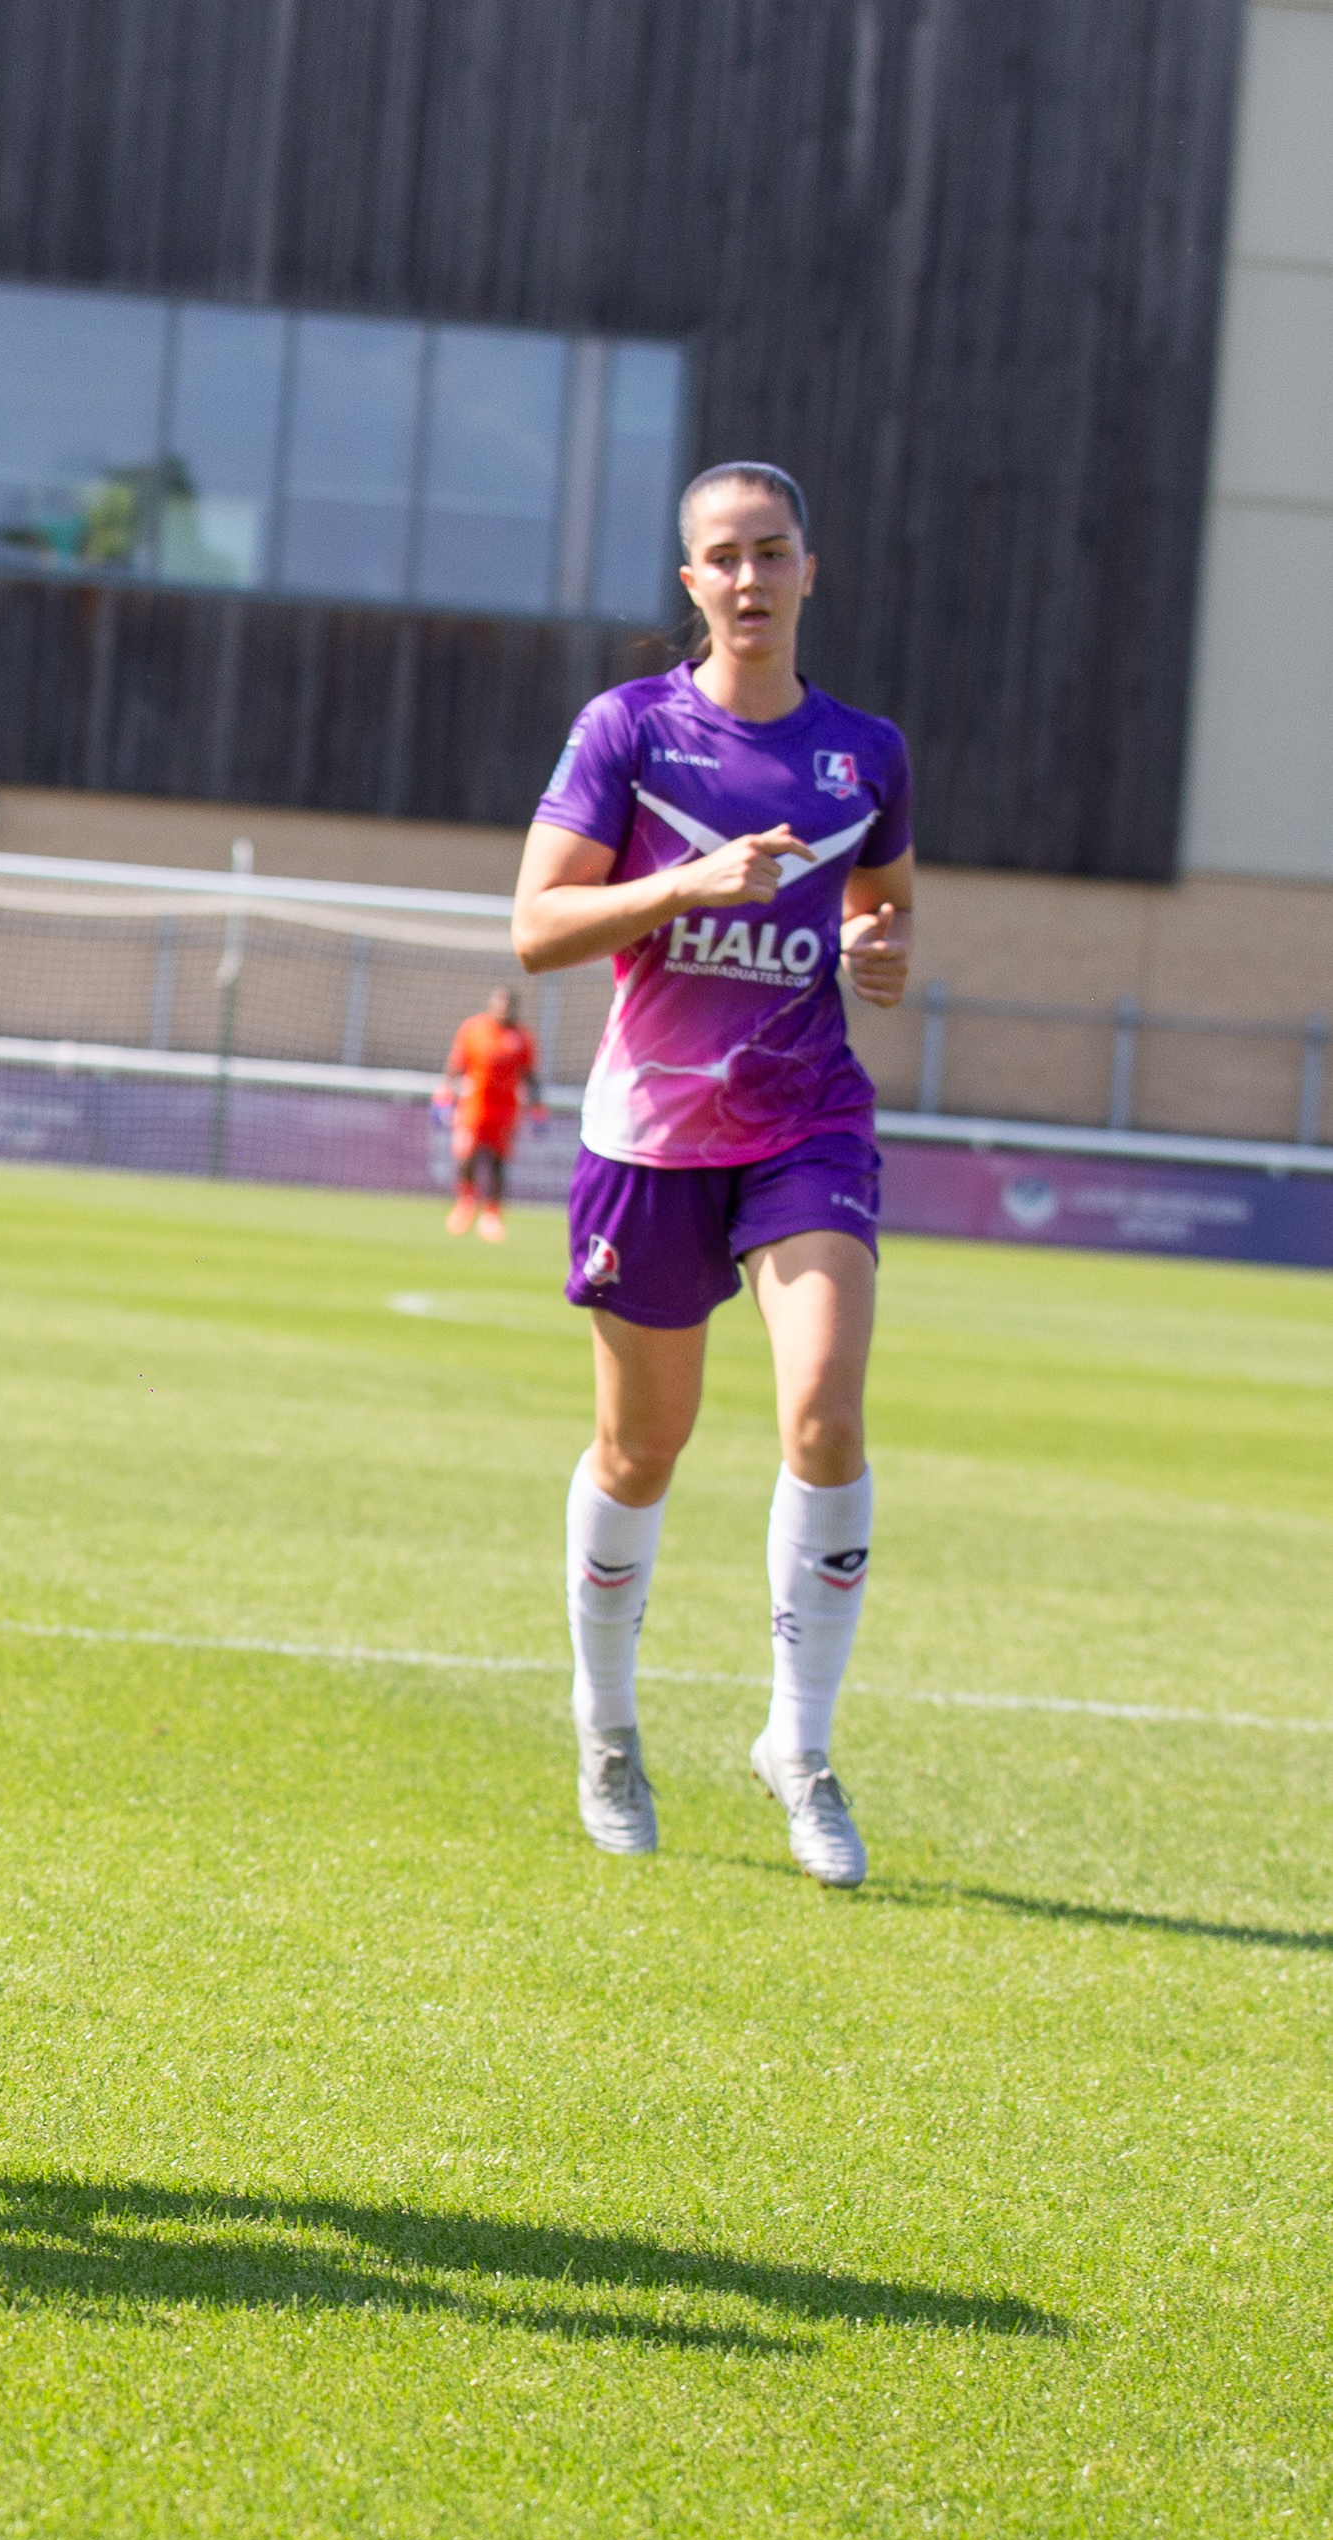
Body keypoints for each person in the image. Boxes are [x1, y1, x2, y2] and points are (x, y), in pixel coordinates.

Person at [512, 459, 915, 1889]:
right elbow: (538, 926)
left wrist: (880, 959)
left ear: (812, 569)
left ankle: (798, 1747)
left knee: (823, 1403)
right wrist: (683, 883)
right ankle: (607, 1724)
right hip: (652, 1142)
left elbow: (886, 921)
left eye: (774, 552)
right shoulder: (627, 731)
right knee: (645, 1448)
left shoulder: (865, 753)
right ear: (692, 581)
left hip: (809, 1122)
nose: (751, 579)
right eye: (723, 557)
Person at [433, 984, 542, 1238]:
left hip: (505, 1112)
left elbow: (530, 1076)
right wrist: (443, 1096)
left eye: (507, 1005)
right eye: (498, 1004)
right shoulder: (473, 1029)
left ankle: (492, 1214)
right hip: (474, 1108)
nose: (503, 1009)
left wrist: (537, 1109)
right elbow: (456, 1065)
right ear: (490, 1005)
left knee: (497, 1164)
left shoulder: (522, 1037)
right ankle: (465, 1204)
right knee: (466, 1157)